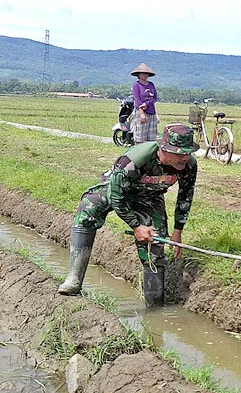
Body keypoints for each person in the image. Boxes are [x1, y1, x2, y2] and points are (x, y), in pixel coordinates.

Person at [57, 124, 198, 307]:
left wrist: (178, 230)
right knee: (88, 210)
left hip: (149, 195)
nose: (185, 157)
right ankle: (74, 279)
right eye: (180, 153)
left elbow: (185, 196)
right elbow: (116, 197)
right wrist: (136, 226)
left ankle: (154, 307)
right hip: (116, 190)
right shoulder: (134, 160)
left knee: (155, 240)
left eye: (188, 152)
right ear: (164, 148)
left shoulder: (188, 166)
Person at [130, 63, 159, 144]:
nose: (145, 75)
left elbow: (155, 98)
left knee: (152, 137)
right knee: (140, 136)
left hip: (152, 112)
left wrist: (146, 104)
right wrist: (142, 113)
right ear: (138, 74)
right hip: (141, 112)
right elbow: (137, 100)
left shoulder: (151, 84)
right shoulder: (136, 85)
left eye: (146, 73)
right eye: (143, 73)